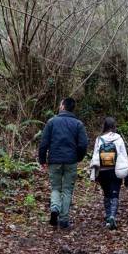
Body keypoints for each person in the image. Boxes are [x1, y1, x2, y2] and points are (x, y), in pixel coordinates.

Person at [38, 97, 88, 229]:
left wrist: (42, 160)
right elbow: (83, 145)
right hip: (71, 161)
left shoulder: (51, 122)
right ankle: (64, 219)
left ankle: (54, 209)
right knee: (67, 189)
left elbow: (43, 143)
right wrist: (79, 157)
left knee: (55, 188)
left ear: (63, 107)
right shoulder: (78, 124)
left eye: (60, 104)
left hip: (54, 161)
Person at [89, 117, 128, 230]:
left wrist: (94, 173)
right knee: (115, 193)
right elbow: (124, 156)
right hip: (116, 171)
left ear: (104, 126)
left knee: (106, 194)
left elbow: (95, 156)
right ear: (114, 126)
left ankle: (108, 218)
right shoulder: (119, 139)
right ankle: (112, 216)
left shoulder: (99, 139)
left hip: (103, 171)